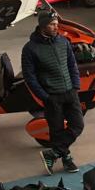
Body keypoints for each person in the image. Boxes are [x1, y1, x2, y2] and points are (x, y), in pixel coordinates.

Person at [22, 10, 83, 174]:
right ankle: (67, 160)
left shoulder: (63, 42)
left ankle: (53, 153)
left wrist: (76, 85)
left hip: (70, 92)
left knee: (78, 125)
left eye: (57, 24)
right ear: (42, 25)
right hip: (51, 96)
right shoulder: (30, 48)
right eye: (52, 24)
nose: (56, 27)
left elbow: (72, 65)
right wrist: (44, 96)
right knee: (56, 131)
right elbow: (29, 76)